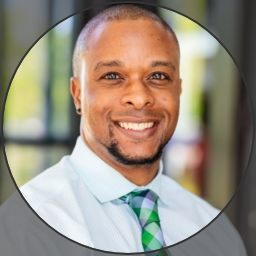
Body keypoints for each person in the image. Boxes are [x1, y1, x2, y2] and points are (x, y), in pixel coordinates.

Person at [19, 4, 245, 254]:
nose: (139, 98)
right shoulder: (29, 228)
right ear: (78, 95)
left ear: (178, 91)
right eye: (113, 76)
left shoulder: (215, 231)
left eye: (158, 76)